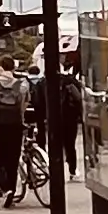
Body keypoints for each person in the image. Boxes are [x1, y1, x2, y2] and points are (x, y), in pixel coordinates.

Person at [36, 56, 81, 203]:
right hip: (70, 118)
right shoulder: (70, 80)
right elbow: (80, 98)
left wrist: (41, 120)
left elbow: (38, 103)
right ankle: (73, 171)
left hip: (53, 119)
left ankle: (56, 171)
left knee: (55, 146)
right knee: (70, 145)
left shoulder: (43, 83)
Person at [0, 64, 28, 207]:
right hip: (16, 127)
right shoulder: (22, 85)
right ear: (13, 68)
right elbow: (24, 105)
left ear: (0, 68)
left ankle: (6, 189)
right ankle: (12, 190)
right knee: (12, 161)